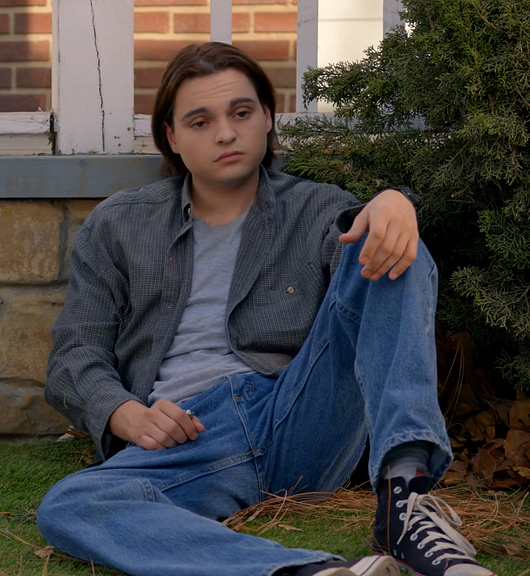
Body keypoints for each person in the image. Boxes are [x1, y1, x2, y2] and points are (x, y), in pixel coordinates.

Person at [36, 42, 493, 576]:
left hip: (298, 412)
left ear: (268, 118)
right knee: (70, 504)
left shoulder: (314, 206)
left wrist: (395, 201)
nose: (226, 133)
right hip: (188, 437)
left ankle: (405, 502)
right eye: (200, 121)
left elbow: (369, 266)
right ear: (172, 137)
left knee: (391, 249)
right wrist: (125, 413)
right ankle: (310, 572)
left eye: (241, 113)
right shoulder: (119, 225)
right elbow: (74, 355)